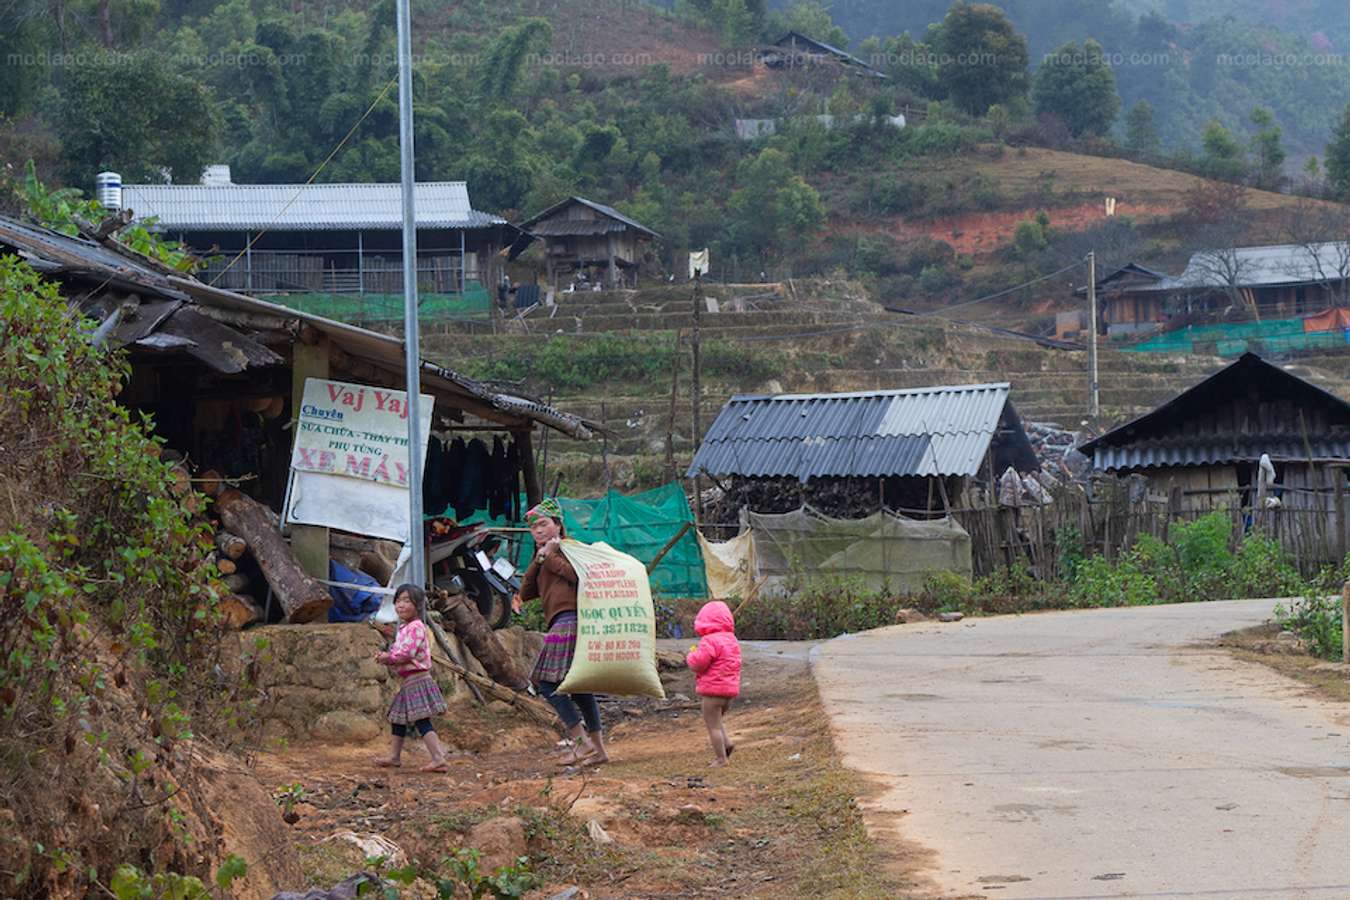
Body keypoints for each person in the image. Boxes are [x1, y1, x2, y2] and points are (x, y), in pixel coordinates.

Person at [513, 498, 608, 765]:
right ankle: (598, 751)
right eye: (534, 528)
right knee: (579, 687)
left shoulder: (571, 549)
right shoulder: (544, 555)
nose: (538, 531)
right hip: (562, 621)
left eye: (543, 524)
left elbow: (578, 577)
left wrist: (551, 555)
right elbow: (527, 591)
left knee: (545, 682)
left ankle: (581, 742)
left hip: (571, 619)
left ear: (558, 525)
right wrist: (540, 557)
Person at [373, 584, 449, 772]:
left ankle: (438, 758)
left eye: (407, 601)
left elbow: (407, 653)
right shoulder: (405, 628)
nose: (401, 605)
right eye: (398, 601)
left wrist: (388, 658)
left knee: (422, 720)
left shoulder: (416, 627)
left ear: (417, 605)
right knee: (398, 719)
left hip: (417, 679)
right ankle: (394, 757)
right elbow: (400, 652)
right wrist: (387, 657)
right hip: (409, 681)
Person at [685, 600, 742, 767]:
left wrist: (691, 654)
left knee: (713, 726)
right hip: (729, 692)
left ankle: (721, 759)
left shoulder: (709, 641)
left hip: (712, 692)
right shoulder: (732, 639)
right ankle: (727, 744)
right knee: (717, 721)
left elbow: (697, 664)